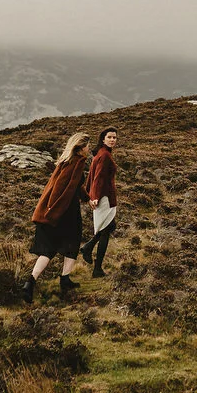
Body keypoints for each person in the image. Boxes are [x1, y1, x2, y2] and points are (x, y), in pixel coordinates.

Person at [21, 131, 93, 303]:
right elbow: (62, 187)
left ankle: (32, 282)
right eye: (88, 146)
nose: (89, 149)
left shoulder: (66, 161)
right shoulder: (77, 162)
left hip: (56, 211)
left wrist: (87, 198)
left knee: (49, 250)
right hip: (64, 213)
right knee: (71, 244)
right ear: (81, 148)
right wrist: (53, 211)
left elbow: (75, 186)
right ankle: (62, 280)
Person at [83, 127, 119, 278]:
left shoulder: (102, 153)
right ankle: (97, 269)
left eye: (114, 137)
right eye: (109, 137)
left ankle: (88, 247)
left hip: (105, 196)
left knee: (110, 226)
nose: (112, 140)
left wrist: (90, 193)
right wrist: (95, 196)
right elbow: (98, 177)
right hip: (104, 198)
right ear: (103, 139)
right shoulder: (104, 155)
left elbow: (92, 176)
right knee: (105, 231)